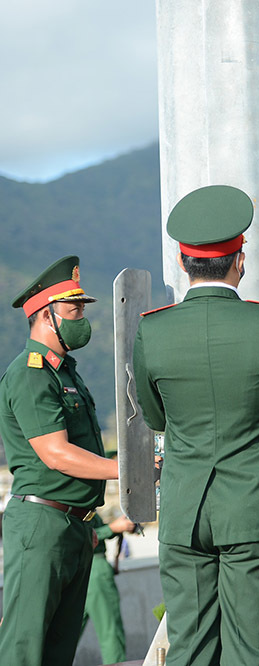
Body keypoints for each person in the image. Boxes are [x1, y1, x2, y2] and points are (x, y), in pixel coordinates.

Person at [133, 184, 259, 666]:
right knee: (249, 651)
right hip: (250, 512)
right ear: (239, 260)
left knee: (189, 649)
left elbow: (156, 416)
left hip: (184, 514)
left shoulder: (153, 328)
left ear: (183, 264)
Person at [0, 255, 120, 666]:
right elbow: (56, 453)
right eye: (74, 309)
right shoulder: (30, 373)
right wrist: (127, 469)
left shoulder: (65, 372)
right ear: (45, 315)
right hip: (42, 525)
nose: (83, 317)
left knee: (58, 649)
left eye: (83, 308)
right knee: (25, 648)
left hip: (74, 525)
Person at [80, 512, 137, 664]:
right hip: (95, 569)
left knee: (65, 635)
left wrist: (117, 528)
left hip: (78, 571)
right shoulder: (83, 501)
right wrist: (112, 528)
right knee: (110, 633)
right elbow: (82, 536)